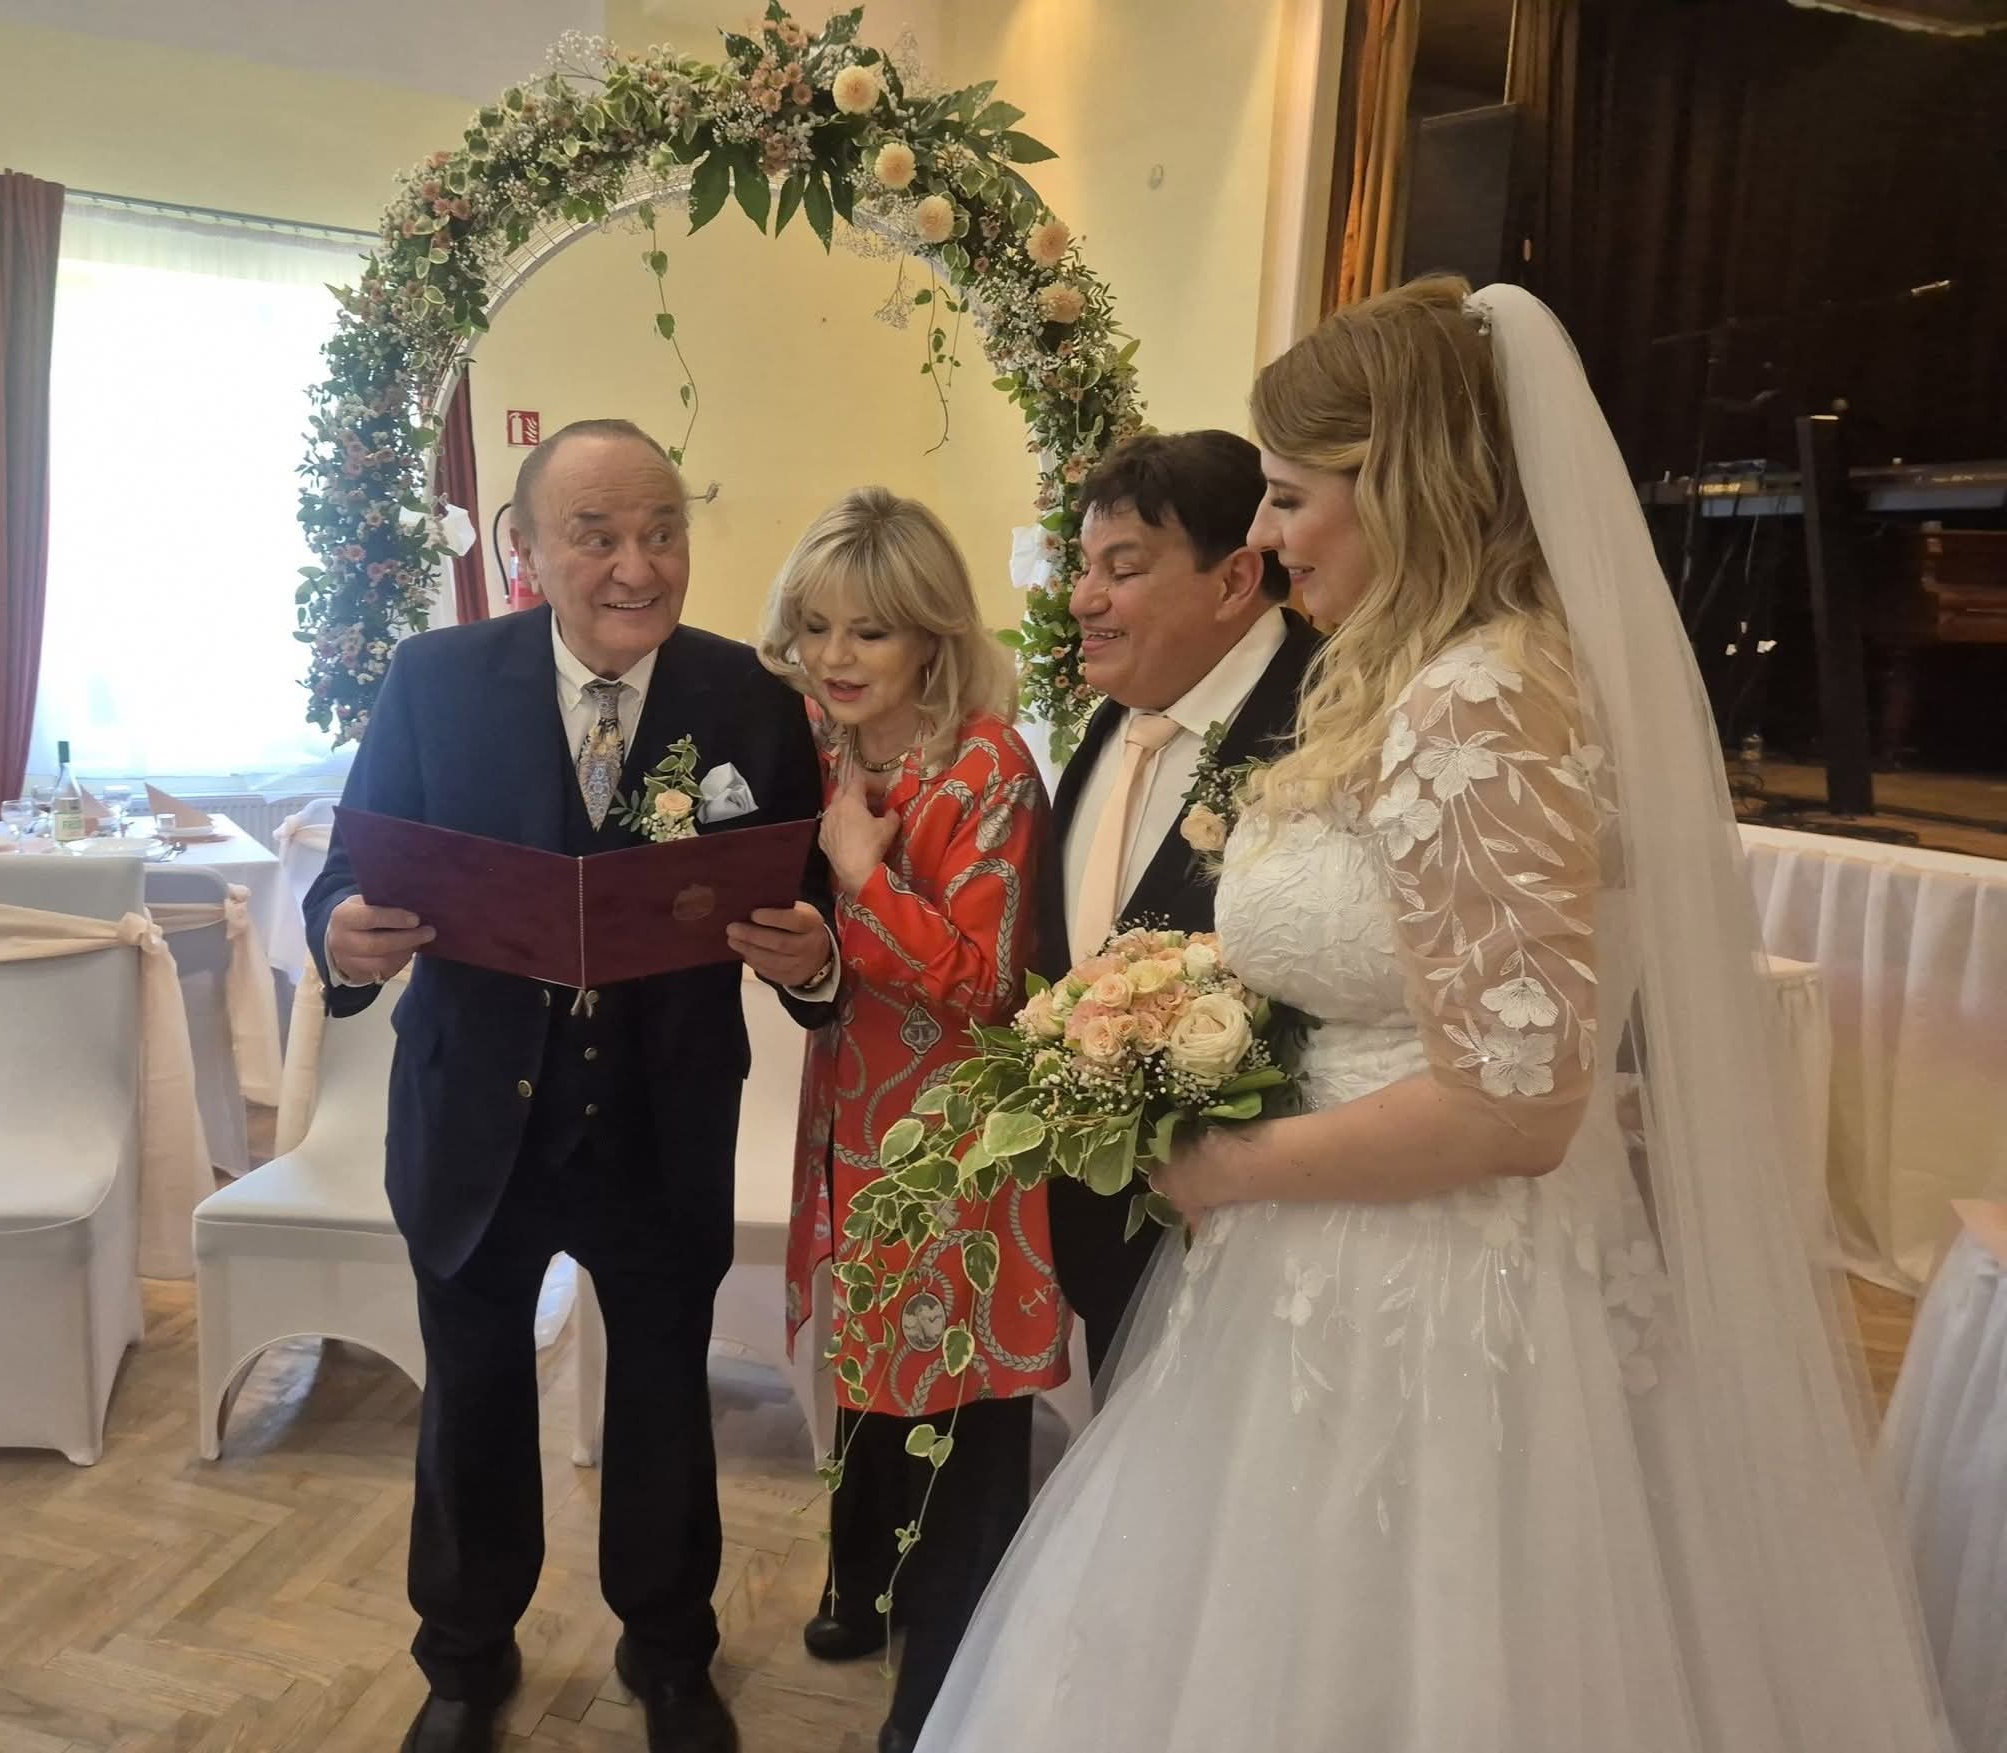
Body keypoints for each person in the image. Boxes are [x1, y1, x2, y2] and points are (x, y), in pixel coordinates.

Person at [912, 282, 1956, 1751]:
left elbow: (1513, 1106)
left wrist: (1222, 1164)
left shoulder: (1484, 699)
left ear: (1400, 481)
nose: (1264, 533)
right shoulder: (1408, 675)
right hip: (1330, 1265)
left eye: (1289, 495)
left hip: (1436, 1292)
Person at [304, 419, 838, 1753]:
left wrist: (815, 957)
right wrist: (341, 934)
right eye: (596, 536)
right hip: (475, 1117)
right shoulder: (434, 682)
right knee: (473, 1395)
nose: (635, 567)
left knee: (661, 1394)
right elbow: (349, 869)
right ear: (526, 552)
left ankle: (670, 1651)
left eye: (662, 532)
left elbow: (808, 895)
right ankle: (463, 1657)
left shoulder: (749, 698)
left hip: (664, 1115)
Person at [761, 487, 1066, 1753]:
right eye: (816, 626)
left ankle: (942, 1683)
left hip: (957, 1135)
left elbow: (983, 979)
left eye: (869, 631)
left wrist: (856, 873)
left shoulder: (987, 764)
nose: (834, 656)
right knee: (872, 1366)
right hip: (852, 1112)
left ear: (932, 635)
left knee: (956, 1395)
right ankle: (864, 1591)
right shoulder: (827, 748)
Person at [1041, 430, 1319, 1379]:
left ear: (1235, 578)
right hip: (1108, 1239)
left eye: (1121, 571)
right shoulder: (1116, 718)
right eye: (1084, 568)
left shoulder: (1328, 723)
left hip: (1262, 1252)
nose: (1083, 600)